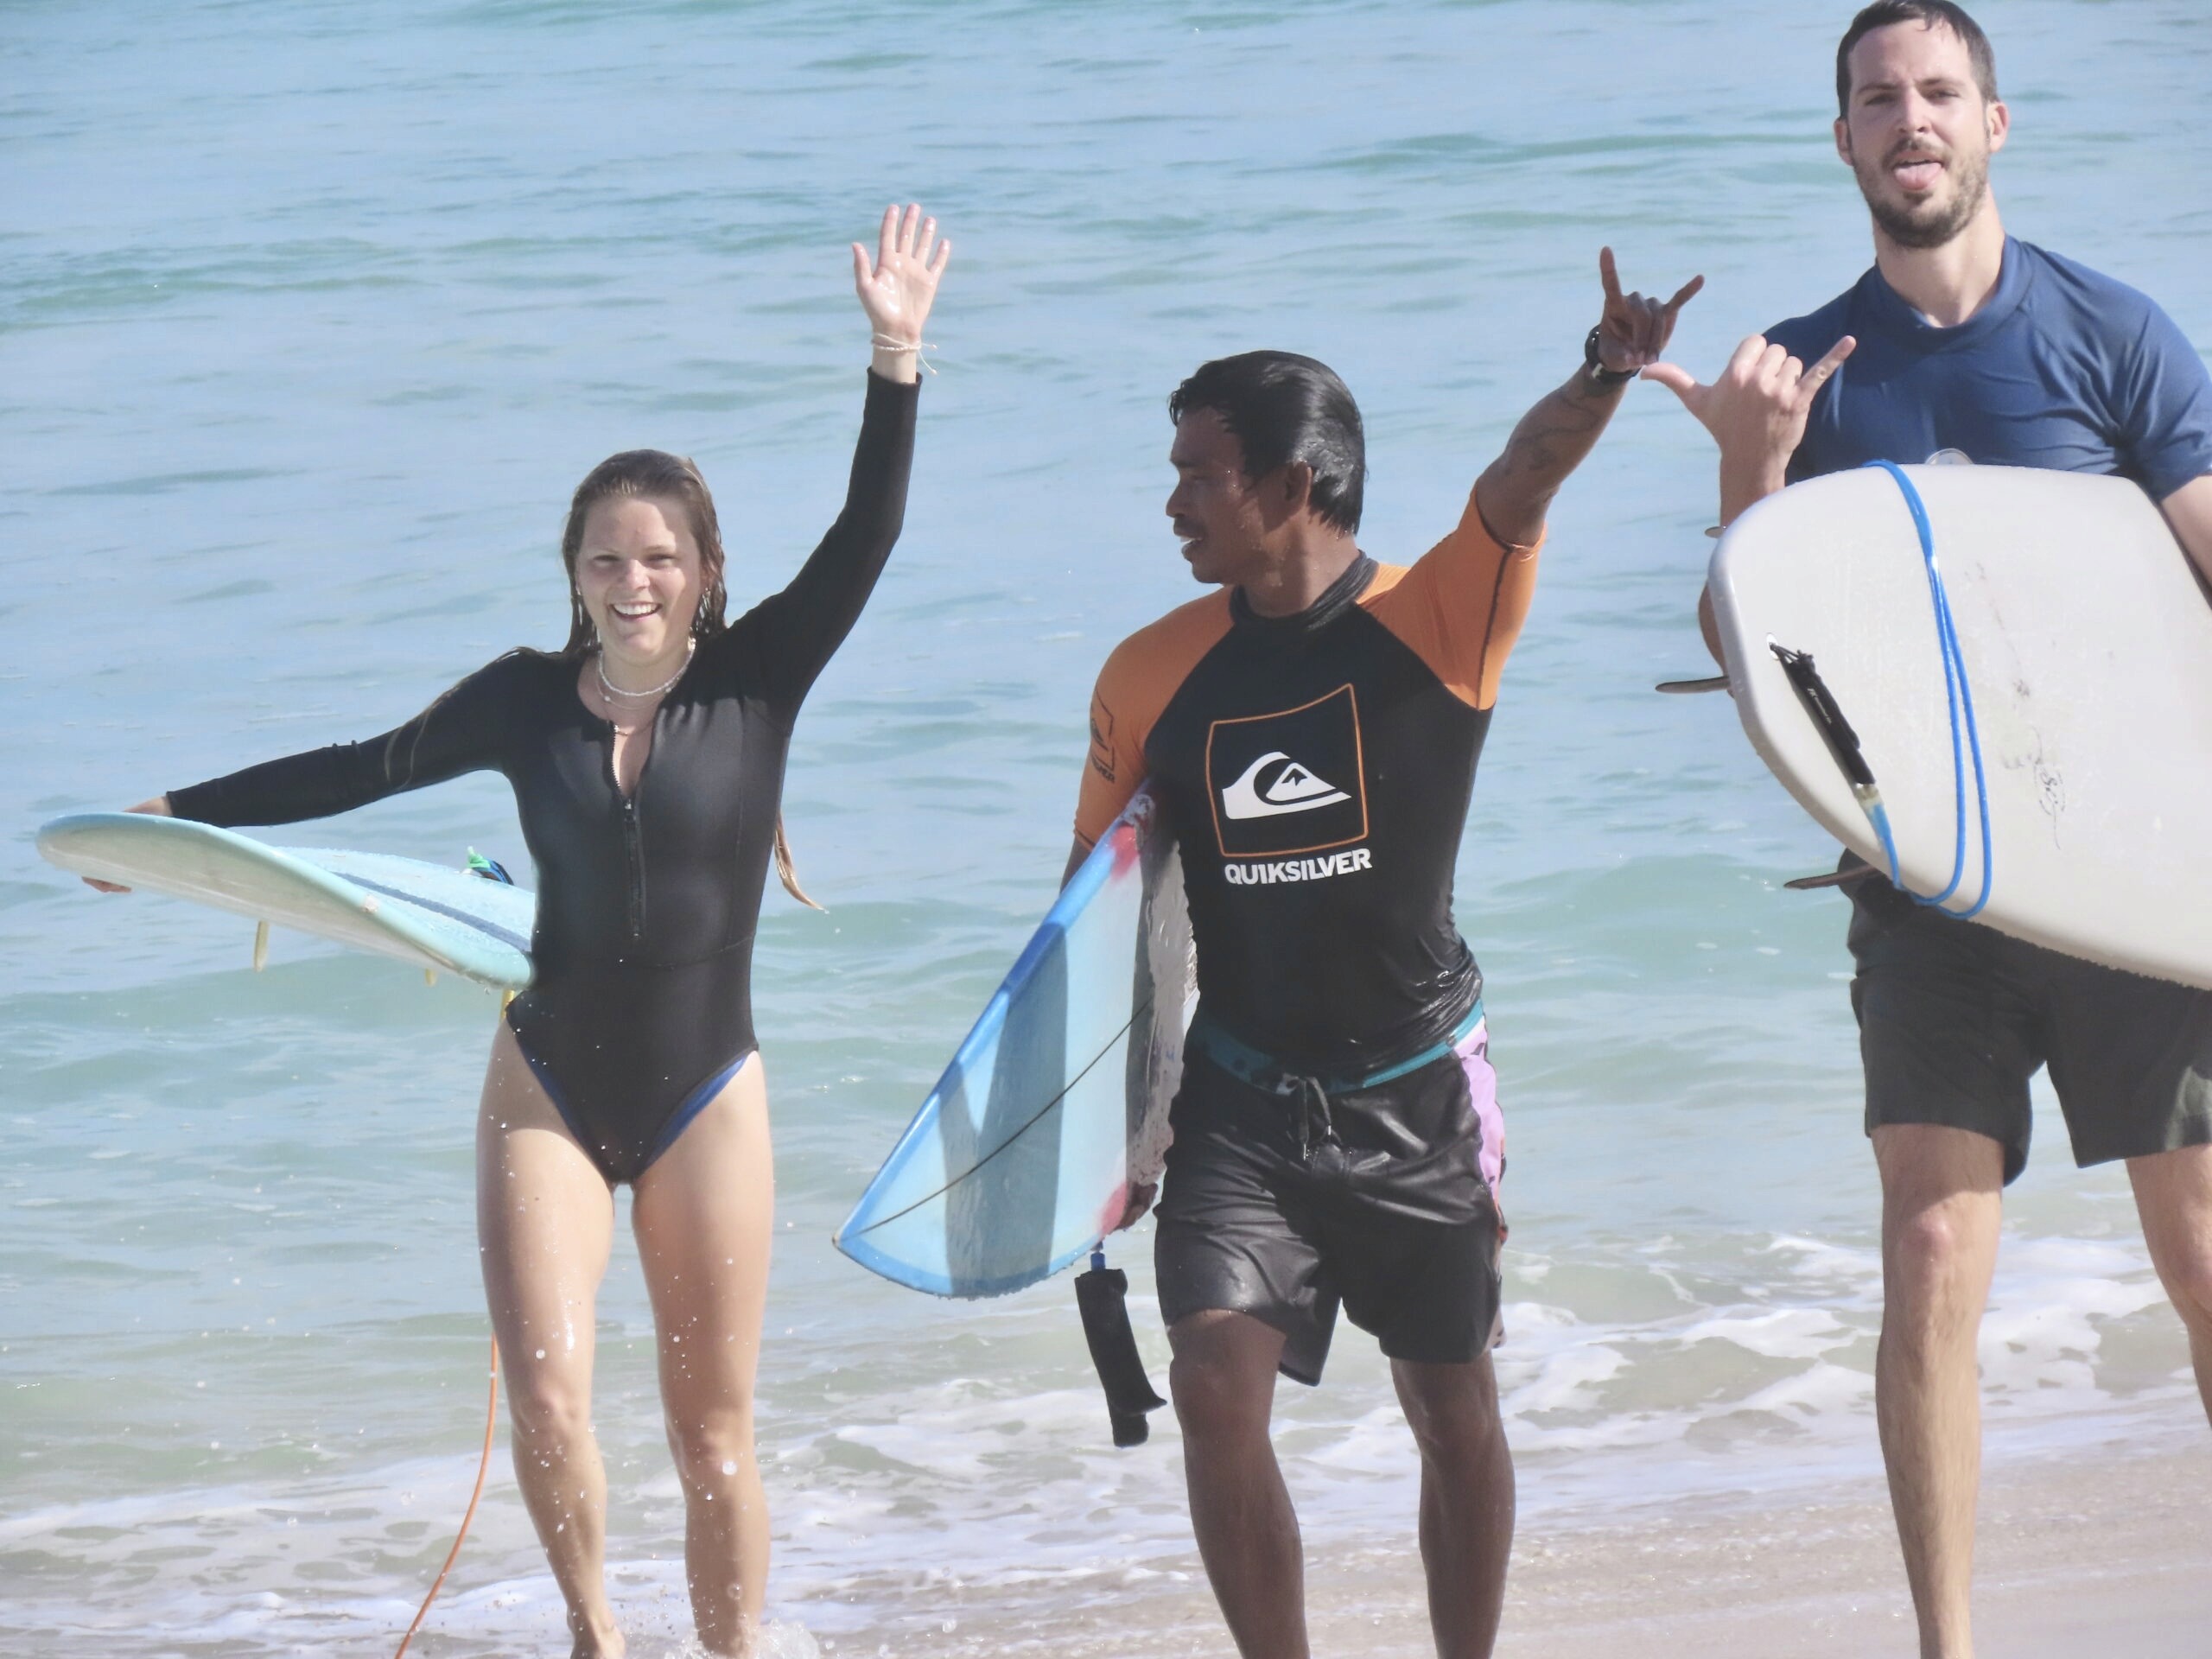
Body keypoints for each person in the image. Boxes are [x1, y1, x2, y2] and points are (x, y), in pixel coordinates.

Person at [86, 205, 950, 1659]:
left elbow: (867, 535)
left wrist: (895, 354)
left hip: (704, 1089)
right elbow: (357, 768)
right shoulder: (519, 700)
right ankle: (597, 1637)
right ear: (572, 572)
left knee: (711, 1429)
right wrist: (178, 822)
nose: (633, 584)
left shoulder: (758, 682)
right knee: (547, 1389)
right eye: (607, 560)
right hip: (546, 1070)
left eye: (660, 559)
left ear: (703, 572)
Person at [1643, 5, 2212, 1654]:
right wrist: (1752, 475)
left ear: (1994, 124)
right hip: (1929, 887)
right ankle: (1946, 1646)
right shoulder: (1801, 366)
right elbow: (1747, 653)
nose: (1913, 121)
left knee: (2199, 1258)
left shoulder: (2113, 338)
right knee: (1931, 1251)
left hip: (2121, 875)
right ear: (1842, 141)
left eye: (1940, 93)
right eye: (1879, 99)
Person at [1067, 252, 1700, 1657]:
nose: (1172, 502)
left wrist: (1606, 374)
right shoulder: (1147, 672)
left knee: (1451, 1409)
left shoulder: (1438, 621)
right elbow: (1095, 917)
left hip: (1417, 1093)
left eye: (1199, 476)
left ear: (1297, 486)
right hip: (1243, 1098)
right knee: (1217, 1389)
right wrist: (1109, 1130)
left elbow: (1522, 480)